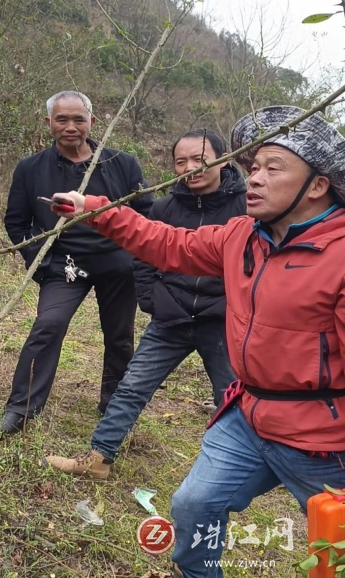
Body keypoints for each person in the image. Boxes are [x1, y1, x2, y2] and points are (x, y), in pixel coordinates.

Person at [49, 105, 345, 578]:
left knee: (334, 556)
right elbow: (169, 243)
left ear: (317, 185)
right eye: (253, 167)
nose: (254, 179)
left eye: (274, 168)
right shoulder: (242, 237)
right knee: (193, 504)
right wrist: (97, 211)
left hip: (323, 443)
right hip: (249, 417)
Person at [46, 129, 245, 479]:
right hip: (171, 318)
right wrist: (152, 298)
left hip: (221, 322)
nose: (190, 167)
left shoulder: (246, 209)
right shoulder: (164, 206)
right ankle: (98, 459)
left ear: (223, 159)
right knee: (132, 386)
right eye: (181, 161)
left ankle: (238, 472)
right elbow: (144, 253)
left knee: (232, 400)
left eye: (200, 159)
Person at [0, 90, 153, 439]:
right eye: (62, 119)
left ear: (92, 122)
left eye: (78, 119)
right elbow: (17, 223)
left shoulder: (121, 163)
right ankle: (20, 408)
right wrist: (41, 262)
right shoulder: (31, 168)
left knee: (119, 337)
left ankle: (115, 409)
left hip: (117, 264)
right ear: (49, 123)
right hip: (64, 265)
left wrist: (135, 258)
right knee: (47, 326)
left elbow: (144, 214)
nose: (71, 127)